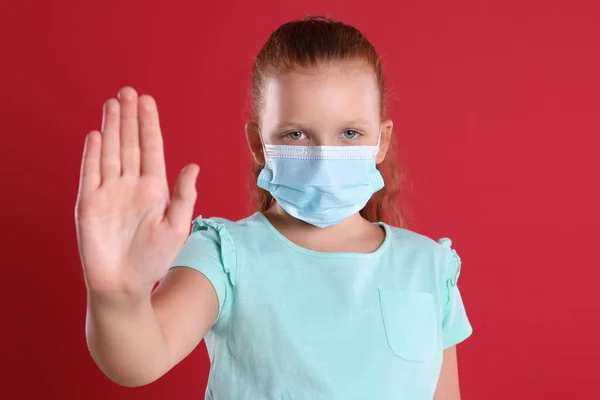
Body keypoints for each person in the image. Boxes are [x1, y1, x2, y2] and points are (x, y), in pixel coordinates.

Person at [75, 15, 473, 400]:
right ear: (258, 143)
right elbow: (140, 358)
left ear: (381, 141)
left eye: (350, 133)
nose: (323, 158)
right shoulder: (223, 255)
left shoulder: (430, 266)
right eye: (296, 134)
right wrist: (118, 294)